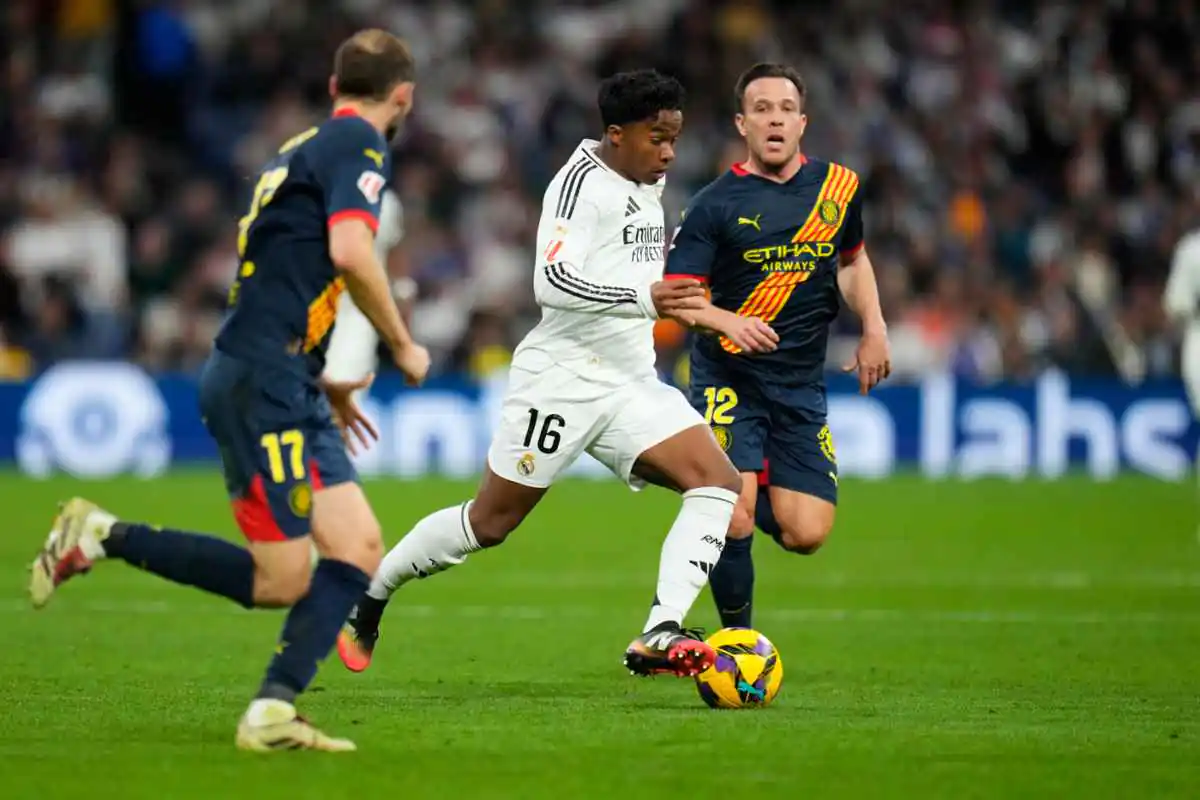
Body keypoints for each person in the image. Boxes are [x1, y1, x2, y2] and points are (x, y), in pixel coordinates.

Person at [27, 29, 431, 752]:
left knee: (358, 548)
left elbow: (283, 271)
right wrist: (401, 342)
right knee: (283, 578)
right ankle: (103, 535)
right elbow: (349, 251)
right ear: (403, 96)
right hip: (264, 377)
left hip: (284, 374)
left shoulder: (297, 150)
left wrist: (319, 376)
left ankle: (272, 711)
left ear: (334, 87)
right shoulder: (359, 145)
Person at [336, 69, 776, 680]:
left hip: (629, 381)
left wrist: (718, 316)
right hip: (562, 382)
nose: (669, 153)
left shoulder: (648, 182)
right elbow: (553, 282)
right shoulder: (578, 186)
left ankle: (661, 628)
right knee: (489, 523)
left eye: (674, 138)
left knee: (719, 484)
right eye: (657, 138)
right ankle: (370, 597)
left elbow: (651, 283)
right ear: (617, 134)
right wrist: (644, 298)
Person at [665, 62, 891, 630]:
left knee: (806, 532)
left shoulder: (839, 188)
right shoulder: (713, 205)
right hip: (728, 379)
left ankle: (740, 488)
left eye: (786, 110)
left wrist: (874, 327)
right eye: (761, 109)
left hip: (799, 384)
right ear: (742, 124)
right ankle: (738, 641)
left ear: (802, 123)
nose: (775, 120)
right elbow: (677, 299)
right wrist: (727, 321)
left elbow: (853, 261)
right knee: (732, 512)